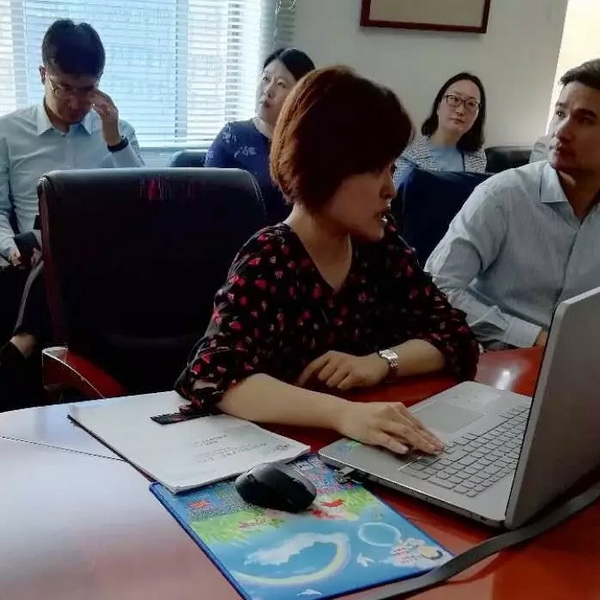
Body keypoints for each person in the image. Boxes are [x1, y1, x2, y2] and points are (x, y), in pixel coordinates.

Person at [176, 66, 479, 456]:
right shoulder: (269, 258)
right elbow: (212, 376)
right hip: (275, 457)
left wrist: (380, 363)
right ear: (326, 167)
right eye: (377, 170)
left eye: (391, 169)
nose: (390, 189)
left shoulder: (380, 245)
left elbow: (456, 337)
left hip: (357, 452)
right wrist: (342, 413)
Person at [0, 19, 143, 408]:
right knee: (41, 244)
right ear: (43, 75)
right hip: (30, 260)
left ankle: (24, 341)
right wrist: (9, 247)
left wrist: (114, 140)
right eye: (64, 87)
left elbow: (142, 202)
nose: (76, 102)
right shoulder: (9, 133)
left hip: (102, 263)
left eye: (87, 89)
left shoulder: (117, 130)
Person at [426, 59, 600, 350]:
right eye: (560, 113)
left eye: (585, 119)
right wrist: (533, 338)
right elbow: (436, 289)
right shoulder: (502, 195)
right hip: (496, 360)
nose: (560, 131)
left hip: (581, 363)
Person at [205, 48, 315, 224]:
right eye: (265, 79)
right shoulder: (231, 137)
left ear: (301, 96)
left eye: (281, 84)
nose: (268, 90)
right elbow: (207, 205)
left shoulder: (310, 145)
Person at [393, 72, 487, 187]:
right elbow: (399, 196)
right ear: (438, 107)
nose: (461, 110)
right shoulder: (409, 155)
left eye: (471, 104)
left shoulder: (477, 155)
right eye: (454, 99)